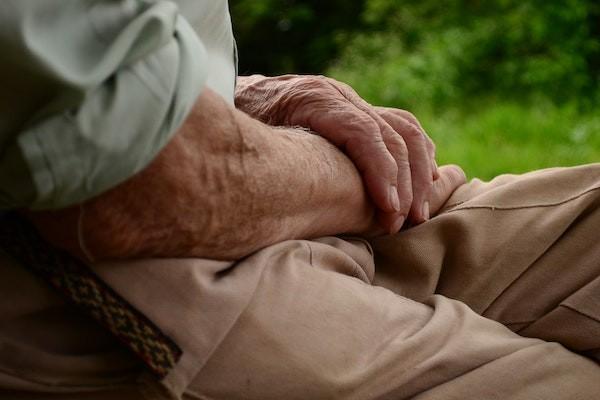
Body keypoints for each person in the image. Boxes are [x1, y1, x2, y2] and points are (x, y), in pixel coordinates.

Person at [0, 1, 599, 399]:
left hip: (258, 195)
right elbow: (143, 183)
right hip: (106, 260)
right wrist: (361, 185)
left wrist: (248, 93)